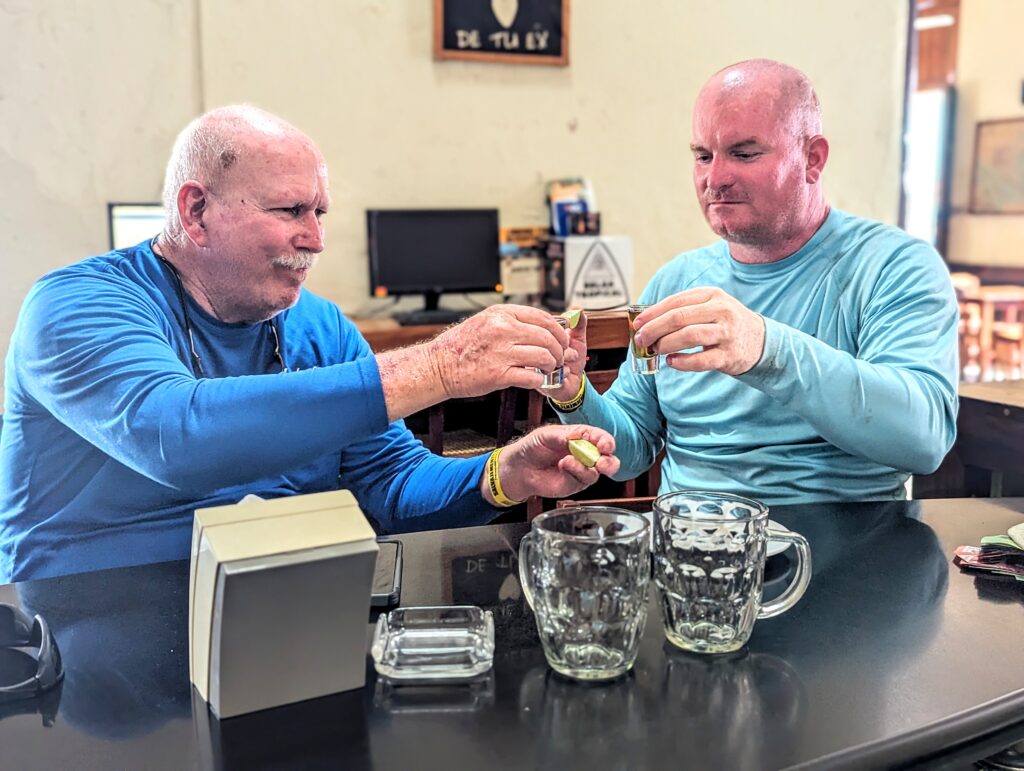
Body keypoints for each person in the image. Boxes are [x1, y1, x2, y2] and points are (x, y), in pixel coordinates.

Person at [0, 105, 620, 583]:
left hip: (286, 604)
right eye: (291, 210)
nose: (315, 239)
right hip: (94, 631)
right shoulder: (75, 306)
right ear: (195, 212)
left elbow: (393, 484)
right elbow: (174, 435)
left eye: (320, 212)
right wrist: (441, 365)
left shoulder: (320, 326)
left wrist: (503, 476)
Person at [545, 58, 959, 505]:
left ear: (812, 159)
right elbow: (629, 452)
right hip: (692, 550)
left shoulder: (893, 266)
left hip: (844, 549)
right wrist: (574, 395)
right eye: (703, 156)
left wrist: (764, 348)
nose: (715, 179)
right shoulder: (676, 281)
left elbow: (924, 439)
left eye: (744, 154)